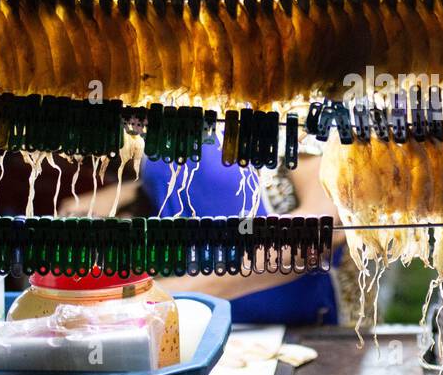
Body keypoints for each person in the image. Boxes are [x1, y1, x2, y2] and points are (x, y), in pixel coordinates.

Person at [62, 138, 347, 326]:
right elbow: (183, 184)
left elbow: (321, 230)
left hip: (295, 334)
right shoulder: (176, 97)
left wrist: (172, 292)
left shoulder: (299, 103)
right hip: (193, 328)